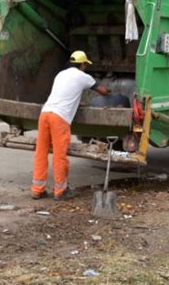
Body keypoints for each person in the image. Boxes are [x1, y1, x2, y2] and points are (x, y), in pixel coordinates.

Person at [31, 50, 110, 201]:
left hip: (45, 113)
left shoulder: (60, 74)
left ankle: (37, 190)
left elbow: (66, 93)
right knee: (60, 155)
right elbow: (102, 91)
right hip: (59, 118)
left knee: (41, 152)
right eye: (85, 64)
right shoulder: (83, 76)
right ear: (82, 64)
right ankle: (60, 191)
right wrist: (111, 91)